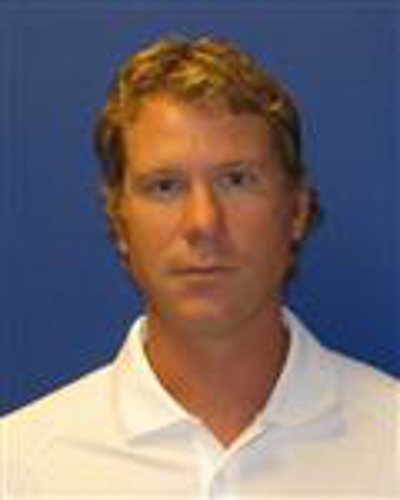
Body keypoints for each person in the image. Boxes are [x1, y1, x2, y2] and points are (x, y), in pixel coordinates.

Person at [2, 35, 398, 498]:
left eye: (236, 180)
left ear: (296, 209)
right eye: (165, 186)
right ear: (119, 220)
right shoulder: (19, 469)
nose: (203, 223)